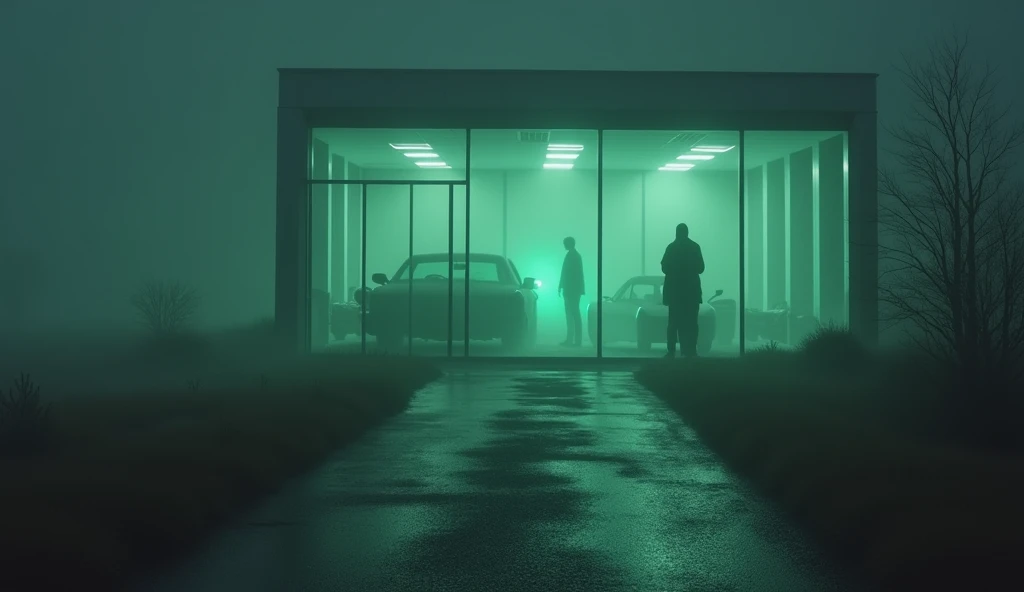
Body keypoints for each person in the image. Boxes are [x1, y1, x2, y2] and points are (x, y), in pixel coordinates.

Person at [661, 223, 705, 357]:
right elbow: (701, 268)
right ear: (687, 232)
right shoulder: (695, 247)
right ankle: (690, 350)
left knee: (673, 324)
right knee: (691, 323)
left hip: (675, 294)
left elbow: (664, 268)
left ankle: (671, 350)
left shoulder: (671, 248)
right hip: (691, 293)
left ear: (676, 233)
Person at [558, 236, 585, 347]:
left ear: (569, 244)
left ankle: (575, 340)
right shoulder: (573, 255)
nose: (564, 245)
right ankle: (572, 340)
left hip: (572, 291)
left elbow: (572, 275)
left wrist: (561, 286)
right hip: (571, 290)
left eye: (565, 243)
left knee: (573, 314)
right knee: (572, 314)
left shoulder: (573, 256)